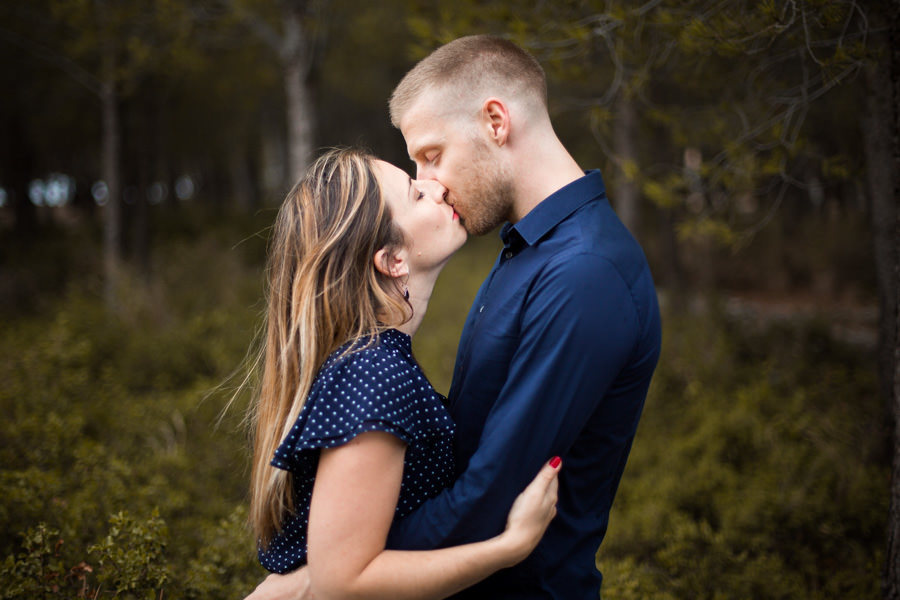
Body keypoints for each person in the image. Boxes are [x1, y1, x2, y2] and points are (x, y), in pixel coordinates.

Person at [382, 35, 662, 598]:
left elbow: (491, 498)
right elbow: (471, 429)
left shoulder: (585, 273)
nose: (427, 181)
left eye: (432, 154)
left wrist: (342, 565)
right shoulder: (531, 246)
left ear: (495, 121)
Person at [243, 148, 561, 600]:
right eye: (415, 194)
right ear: (391, 259)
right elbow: (343, 583)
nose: (437, 187)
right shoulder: (375, 372)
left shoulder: (372, 360)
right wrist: (509, 547)